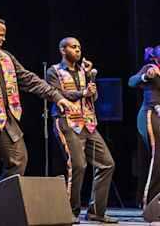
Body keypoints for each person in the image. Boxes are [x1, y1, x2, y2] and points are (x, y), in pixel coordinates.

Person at [0, 15, 76, 202]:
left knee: (18, 158)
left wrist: (57, 97)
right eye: (0, 35)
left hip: (4, 114)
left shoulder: (6, 57)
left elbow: (28, 79)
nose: (3, 38)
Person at [46, 37, 116, 224]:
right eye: (73, 47)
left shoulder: (84, 71)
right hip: (66, 122)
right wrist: (82, 93)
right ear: (63, 50)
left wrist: (91, 83)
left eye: (79, 47)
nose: (78, 50)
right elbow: (57, 93)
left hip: (88, 123)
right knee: (77, 165)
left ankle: (96, 211)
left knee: (107, 163)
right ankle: (70, 212)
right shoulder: (54, 71)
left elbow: (91, 97)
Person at [129, 44, 160, 210]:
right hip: (150, 115)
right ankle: (149, 203)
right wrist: (145, 77)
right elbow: (132, 81)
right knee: (157, 157)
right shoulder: (151, 68)